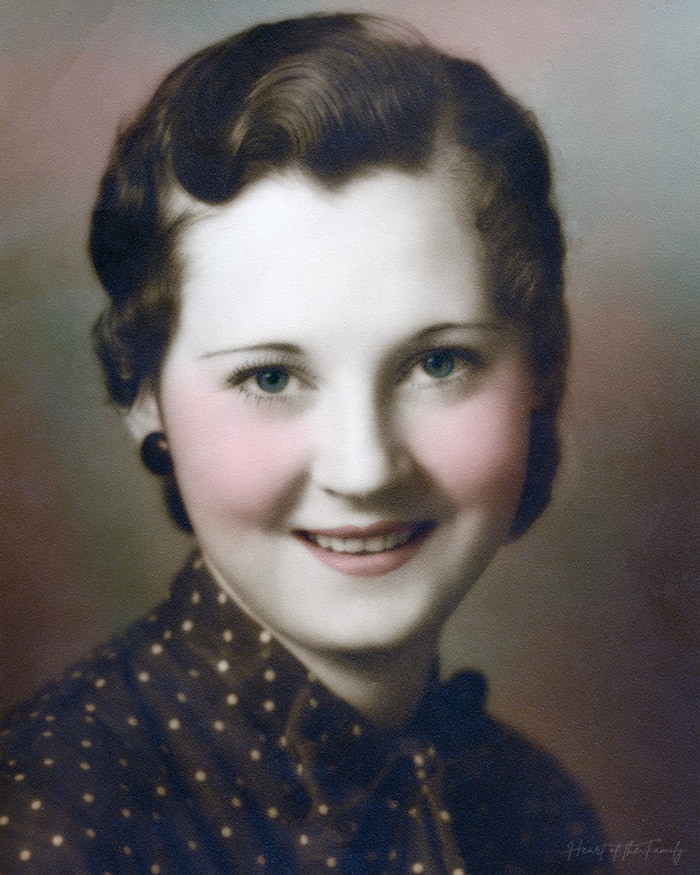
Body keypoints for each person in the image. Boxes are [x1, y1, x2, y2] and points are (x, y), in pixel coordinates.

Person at [0, 12, 613, 875]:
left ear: (538, 372)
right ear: (144, 397)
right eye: (271, 378)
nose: (363, 468)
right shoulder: (51, 824)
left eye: (438, 361)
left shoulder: (534, 808)